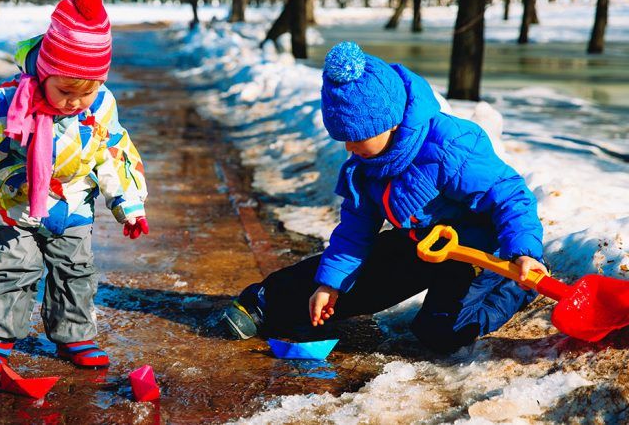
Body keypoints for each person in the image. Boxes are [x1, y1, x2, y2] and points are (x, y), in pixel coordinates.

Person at [220, 41, 547, 353]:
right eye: (343, 139)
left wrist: (522, 252)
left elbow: (511, 196)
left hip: (479, 253)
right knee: (337, 286)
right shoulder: (364, 166)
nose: (349, 147)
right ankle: (266, 302)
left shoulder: (450, 145)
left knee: (440, 333)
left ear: (387, 122)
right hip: (423, 245)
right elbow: (354, 234)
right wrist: (329, 286)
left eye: (356, 137)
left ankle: (513, 290)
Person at [0, 0, 148, 373]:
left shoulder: (99, 105)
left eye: (89, 91)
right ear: (44, 72)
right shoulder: (11, 101)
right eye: (65, 91)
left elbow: (113, 151)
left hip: (72, 203)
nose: (76, 102)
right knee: (12, 267)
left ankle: (74, 335)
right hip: (13, 203)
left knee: (74, 270)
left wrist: (128, 203)